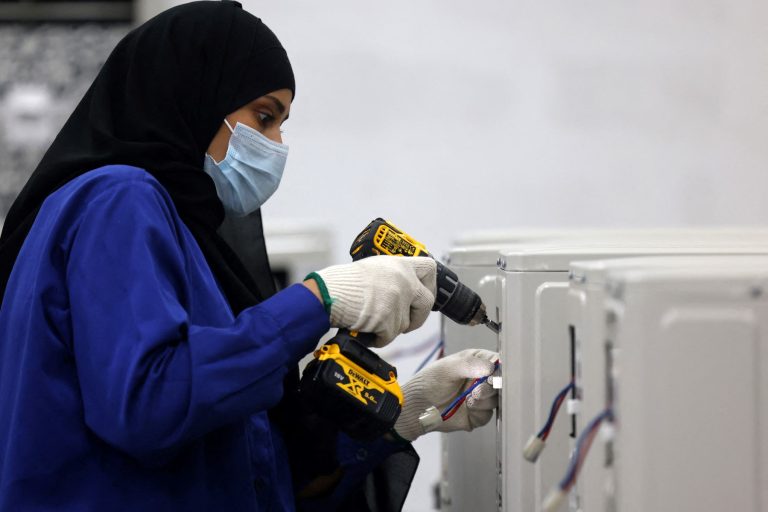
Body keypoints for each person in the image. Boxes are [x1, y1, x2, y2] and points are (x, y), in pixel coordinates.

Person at [0, 2, 499, 511]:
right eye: (263, 116)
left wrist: (400, 418)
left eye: (282, 123)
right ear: (192, 93)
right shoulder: (119, 199)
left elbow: (246, 472)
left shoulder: (184, 237)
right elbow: (149, 405)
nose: (277, 144)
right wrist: (318, 300)